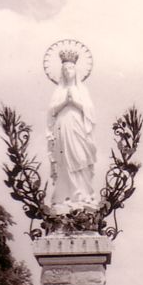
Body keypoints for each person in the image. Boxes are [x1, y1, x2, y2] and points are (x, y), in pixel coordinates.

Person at [47, 49, 97, 212]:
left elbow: (90, 111)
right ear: (62, 72)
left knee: (80, 156)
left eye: (71, 68)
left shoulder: (82, 90)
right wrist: (64, 103)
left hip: (78, 127)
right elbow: (51, 111)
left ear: (76, 71)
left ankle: (82, 194)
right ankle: (67, 195)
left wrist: (74, 102)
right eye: (65, 69)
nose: (68, 71)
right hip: (63, 126)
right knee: (65, 159)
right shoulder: (59, 91)